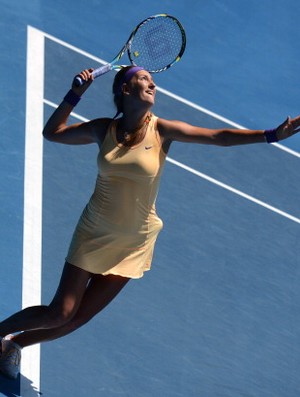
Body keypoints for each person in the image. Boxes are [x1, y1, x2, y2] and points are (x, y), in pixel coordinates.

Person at [0, 65, 299, 380]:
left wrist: (270, 135)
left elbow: (218, 137)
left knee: (76, 320)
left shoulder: (162, 130)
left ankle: (16, 345)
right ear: (125, 90)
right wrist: (75, 94)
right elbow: (53, 132)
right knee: (60, 312)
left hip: (133, 242)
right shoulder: (103, 129)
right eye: (144, 79)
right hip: (93, 233)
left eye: (152, 81)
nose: (152, 84)